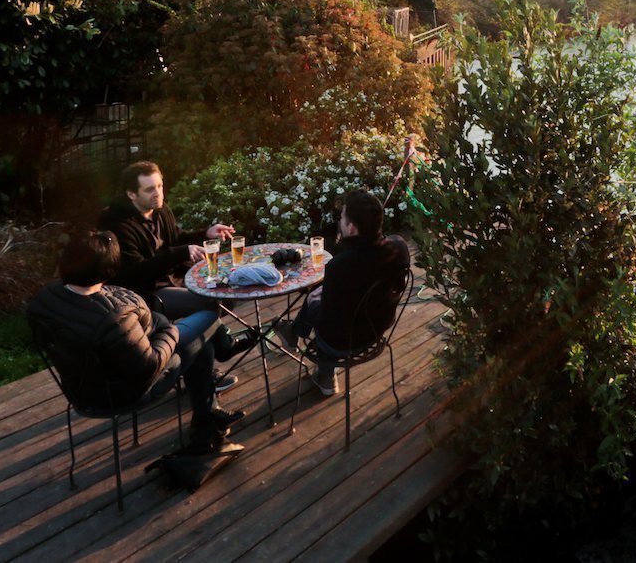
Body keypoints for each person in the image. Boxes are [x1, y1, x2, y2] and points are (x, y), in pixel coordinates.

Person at [26, 231, 243, 451]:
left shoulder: (46, 299)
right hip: (123, 392)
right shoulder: (113, 317)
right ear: (109, 268)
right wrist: (168, 331)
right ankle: (206, 417)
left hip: (80, 387)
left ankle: (208, 415)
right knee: (205, 322)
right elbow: (150, 365)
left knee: (192, 333)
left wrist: (154, 323)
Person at [98, 160, 254, 389]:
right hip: (147, 293)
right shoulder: (118, 226)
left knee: (222, 286)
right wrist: (180, 253)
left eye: (160, 186)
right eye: (150, 189)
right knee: (204, 303)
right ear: (131, 194)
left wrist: (205, 233)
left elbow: (176, 237)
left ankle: (214, 358)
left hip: (175, 278)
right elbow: (135, 273)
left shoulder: (159, 209)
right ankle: (209, 369)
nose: (158, 193)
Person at [278, 189, 411, 396]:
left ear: (351, 227)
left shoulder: (339, 267)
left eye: (342, 217)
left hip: (340, 344)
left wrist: (314, 296)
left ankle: (312, 355)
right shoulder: (399, 248)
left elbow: (329, 324)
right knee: (334, 300)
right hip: (378, 330)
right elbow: (387, 242)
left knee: (315, 294)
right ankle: (295, 335)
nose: (339, 221)